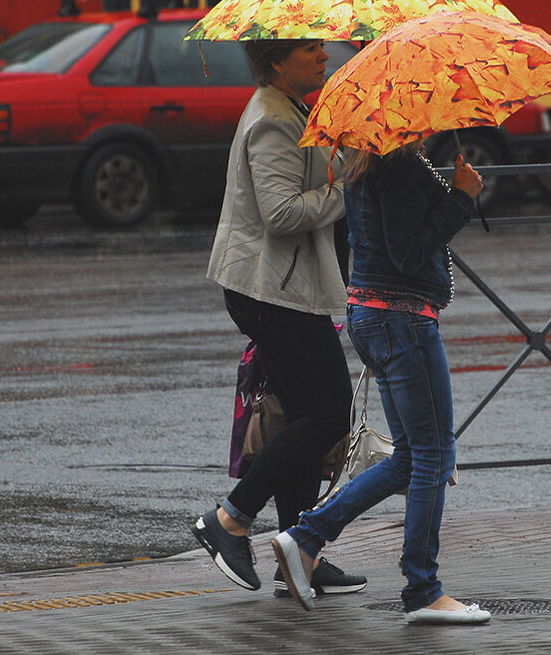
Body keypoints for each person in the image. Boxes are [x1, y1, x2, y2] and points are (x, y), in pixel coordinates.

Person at [271, 142, 492, 626]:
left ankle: (306, 537)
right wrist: (459, 198)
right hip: (403, 319)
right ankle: (423, 589)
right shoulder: (400, 166)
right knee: (435, 455)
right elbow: (408, 253)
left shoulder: (364, 162)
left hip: (372, 314)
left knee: (413, 457)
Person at [192, 38, 366, 599]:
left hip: (286, 287)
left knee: (302, 416)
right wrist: (348, 184)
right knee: (328, 412)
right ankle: (230, 520)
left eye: (322, 49)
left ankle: (301, 558)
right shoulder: (271, 119)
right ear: (276, 62)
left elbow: (308, 175)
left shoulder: (293, 109)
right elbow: (283, 213)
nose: (323, 58)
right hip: (272, 290)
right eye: (311, 50)